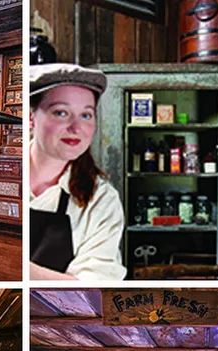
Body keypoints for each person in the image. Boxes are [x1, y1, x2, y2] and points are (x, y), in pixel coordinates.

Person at [27, 63, 126, 281]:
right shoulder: (3, 174)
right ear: (31, 117)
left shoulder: (101, 200)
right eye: (61, 112)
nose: (76, 127)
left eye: (86, 115)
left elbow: (89, 288)